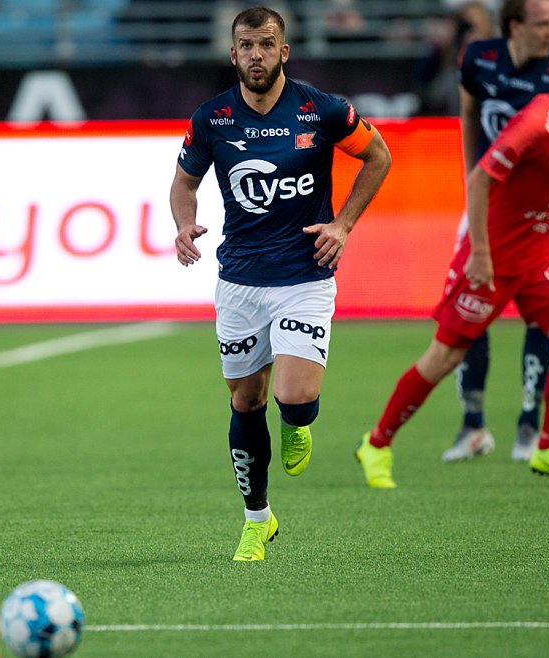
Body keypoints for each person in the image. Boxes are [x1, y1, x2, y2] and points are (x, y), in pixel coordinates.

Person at [170, 6, 391, 561]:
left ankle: (298, 422)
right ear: (233, 54)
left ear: (284, 52)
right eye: (247, 46)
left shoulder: (322, 109)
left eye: (267, 45)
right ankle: (256, 520)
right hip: (240, 282)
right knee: (246, 400)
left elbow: (379, 156)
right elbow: (183, 182)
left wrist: (341, 225)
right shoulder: (211, 118)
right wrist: (182, 223)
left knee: (293, 396)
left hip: (304, 276)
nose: (257, 55)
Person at [356, 41, 549, 489]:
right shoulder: (535, 122)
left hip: (535, 257)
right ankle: (377, 445)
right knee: (445, 357)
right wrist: (479, 252)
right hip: (491, 258)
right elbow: (478, 179)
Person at [443, 0, 549, 464]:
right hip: (488, 207)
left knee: (542, 312)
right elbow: (470, 115)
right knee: (469, 308)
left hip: (537, 214)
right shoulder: (478, 58)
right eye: (542, 24)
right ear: (514, 26)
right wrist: (473, 177)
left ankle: (530, 424)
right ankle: (473, 425)